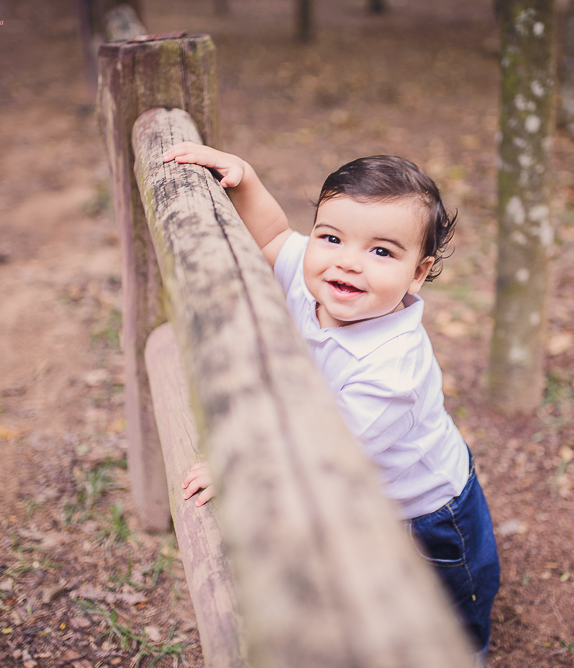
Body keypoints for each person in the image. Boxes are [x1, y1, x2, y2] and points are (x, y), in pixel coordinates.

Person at [162, 143, 500, 660]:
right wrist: (246, 179)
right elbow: (274, 235)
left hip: (428, 512)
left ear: (417, 272)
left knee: (452, 605)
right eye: (332, 237)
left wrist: (241, 461)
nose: (348, 261)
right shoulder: (316, 283)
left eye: (381, 251)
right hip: (364, 495)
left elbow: (328, 450)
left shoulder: (393, 368)